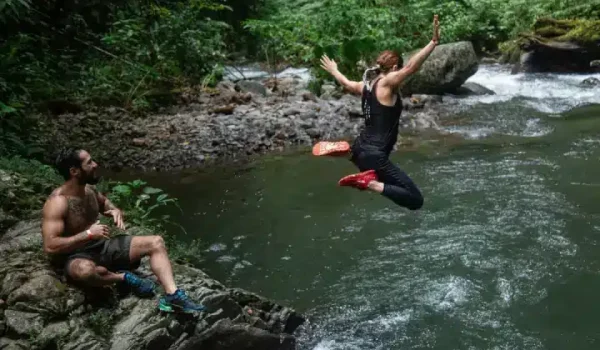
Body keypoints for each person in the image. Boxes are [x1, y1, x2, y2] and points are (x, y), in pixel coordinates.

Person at [41, 147, 205, 313]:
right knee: (86, 271)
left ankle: (173, 296)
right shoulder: (57, 202)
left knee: (156, 242)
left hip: (104, 246)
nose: (96, 164)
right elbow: (50, 246)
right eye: (89, 162)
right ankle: (123, 277)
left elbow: (105, 203)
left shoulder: (90, 190)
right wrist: (88, 234)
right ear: (74, 171)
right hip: (77, 256)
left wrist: (114, 210)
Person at [318, 15, 441, 210]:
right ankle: (370, 183)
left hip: (362, 149)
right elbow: (411, 67)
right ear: (393, 68)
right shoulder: (387, 83)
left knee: (366, 157)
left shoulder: (366, 85)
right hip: (375, 156)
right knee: (415, 200)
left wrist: (334, 70)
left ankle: (349, 152)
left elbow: (347, 83)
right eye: (397, 70)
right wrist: (433, 43)